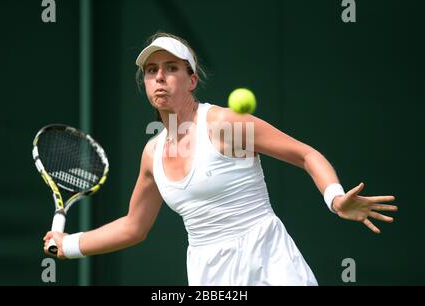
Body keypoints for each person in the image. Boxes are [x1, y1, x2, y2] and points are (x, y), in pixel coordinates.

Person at [43, 32, 398, 285]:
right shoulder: (152, 154)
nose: (159, 77)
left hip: (269, 261)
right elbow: (134, 226)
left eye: (171, 68)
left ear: (192, 79)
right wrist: (71, 245)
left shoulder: (225, 125)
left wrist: (335, 199)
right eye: (151, 71)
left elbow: (305, 155)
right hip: (208, 273)